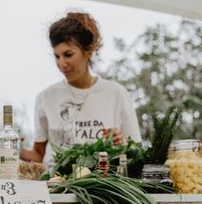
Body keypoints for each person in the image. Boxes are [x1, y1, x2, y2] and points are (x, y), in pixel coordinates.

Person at [21, 12, 141, 168]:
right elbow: (39, 155)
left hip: (100, 184)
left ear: (88, 51)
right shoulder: (46, 98)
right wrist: (15, 149)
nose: (62, 64)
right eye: (57, 56)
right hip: (55, 186)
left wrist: (121, 145)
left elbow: (136, 153)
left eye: (68, 55)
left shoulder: (116, 94)